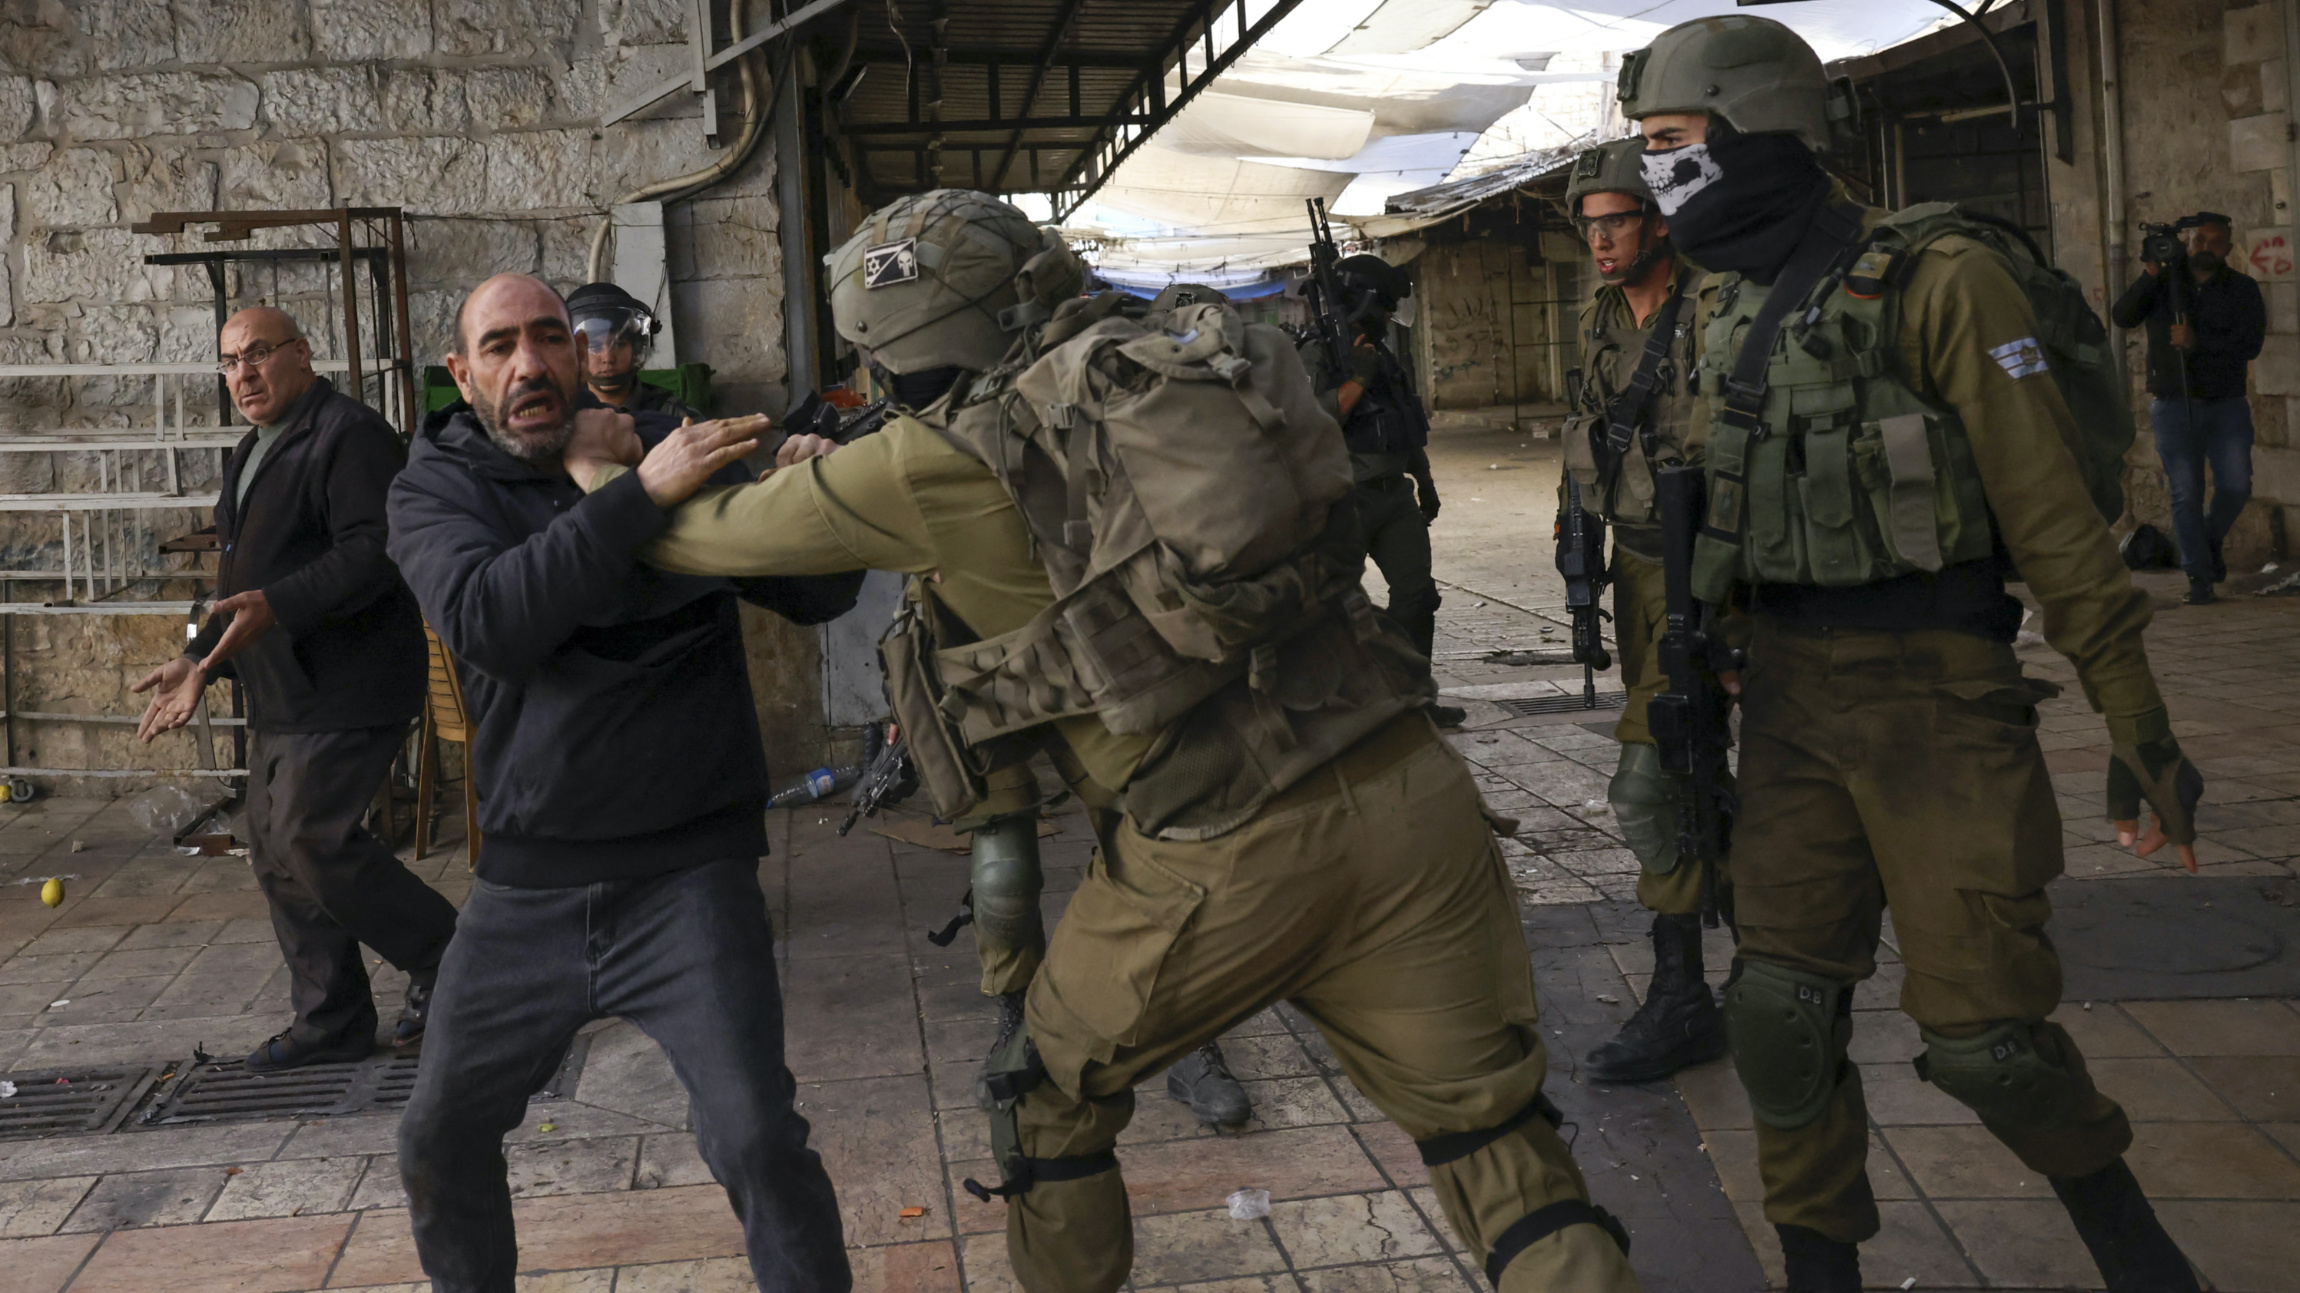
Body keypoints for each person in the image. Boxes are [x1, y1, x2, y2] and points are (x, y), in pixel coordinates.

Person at [562, 191, 1644, 1293]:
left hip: (1222, 845)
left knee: (1044, 1096)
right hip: (1408, 791)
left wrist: (601, 470)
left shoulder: (927, 463)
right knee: (1489, 1138)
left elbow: (701, 540)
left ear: (893, 345)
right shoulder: (1166, 368)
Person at [1620, 16, 2207, 1292]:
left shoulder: (1938, 277)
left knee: (1988, 1042)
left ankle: (2135, 1249)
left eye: (1669, 145)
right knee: (1778, 1014)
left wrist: (2137, 727)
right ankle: (1817, 1270)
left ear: (1748, 129)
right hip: (1779, 703)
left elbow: (2053, 524)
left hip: (1935, 698)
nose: (1654, 173)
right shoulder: (1716, 301)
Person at [383, 273, 862, 1293]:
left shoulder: (668, 441)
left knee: (755, 1142)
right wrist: (635, 500)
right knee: (436, 1138)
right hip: (525, 891)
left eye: (548, 338)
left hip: (687, 872)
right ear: (463, 375)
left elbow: (814, 593)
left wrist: (818, 496)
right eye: (501, 347)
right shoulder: (436, 487)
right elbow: (492, 624)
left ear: (583, 352)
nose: (530, 365)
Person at [959, 279, 1255, 1134]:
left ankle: (1184, 1029)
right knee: (1003, 868)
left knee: (1147, 840)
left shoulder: (1094, 372)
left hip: (1090, 642)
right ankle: (1012, 1018)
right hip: (985, 653)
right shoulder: (938, 394)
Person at [132, 305, 450, 1073]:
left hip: (350, 681)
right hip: (282, 688)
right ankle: (332, 1017)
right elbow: (240, 583)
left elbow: (377, 550)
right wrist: (199, 660)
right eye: (230, 361)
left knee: (315, 835)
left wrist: (279, 605)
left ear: (303, 356)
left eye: (259, 354)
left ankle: (457, 962)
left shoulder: (349, 434)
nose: (243, 373)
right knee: (275, 851)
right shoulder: (250, 448)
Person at [1555, 138, 1725, 1084]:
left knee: (1650, 776)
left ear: (1658, 220)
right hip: (1637, 569)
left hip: (1716, 565)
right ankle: (1708, 975)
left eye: (1615, 221)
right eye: (1589, 227)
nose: (1600, 242)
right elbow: (1586, 421)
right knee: (1684, 756)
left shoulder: (1716, 305)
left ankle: (1687, 993)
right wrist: (1573, 531)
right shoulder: (1599, 319)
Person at [1298, 256, 1466, 728]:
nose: (1391, 316)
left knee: (1417, 596)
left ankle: (1414, 699)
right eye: (1386, 306)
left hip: (1395, 498)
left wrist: (1426, 481)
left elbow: (1405, 425)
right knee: (1336, 607)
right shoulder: (1319, 353)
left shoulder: (1381, 354)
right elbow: (1314, 422)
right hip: (1342, 499)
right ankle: (1351, 703)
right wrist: (1357, 377)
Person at [2110, 215, 2266, 604]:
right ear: (2187, 243)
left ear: (2227, 249)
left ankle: (2208, 542)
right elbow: (2123, 316)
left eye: (2216, 242)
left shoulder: (2242, 289)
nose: (2205, 247)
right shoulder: (2164, 284)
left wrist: (2200, 342)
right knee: (2185, 492)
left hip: (2225, 403)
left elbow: (2250, 345)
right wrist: (2149, 273)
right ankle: (2198, 578)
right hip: (2173, 404)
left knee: (2235, 486)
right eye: (2198, 240)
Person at [567, 281, 702, 419]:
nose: (608, 357)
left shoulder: (673, 415)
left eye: (619, 344)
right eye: (594, 347)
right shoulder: (562, 416)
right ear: (577, 352)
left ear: (636, 348)